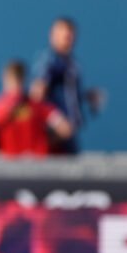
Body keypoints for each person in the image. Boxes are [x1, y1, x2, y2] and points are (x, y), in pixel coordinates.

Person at [30, 17, 102, 154]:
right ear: (53, 35)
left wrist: (87, 96)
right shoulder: (49, 60)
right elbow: (36, 95)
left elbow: (67, 93)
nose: (67, 38)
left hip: (69, 133)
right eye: (63, 34)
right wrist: (55, 119)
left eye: (70, 34)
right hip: (52, 134)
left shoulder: (73, 63)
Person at [0, 60, 72, 157]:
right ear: (24, 79)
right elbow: (65, 129)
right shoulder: (38, 104)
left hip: (10, 163)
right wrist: (42, 141)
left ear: (5, 78)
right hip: (37, 162)